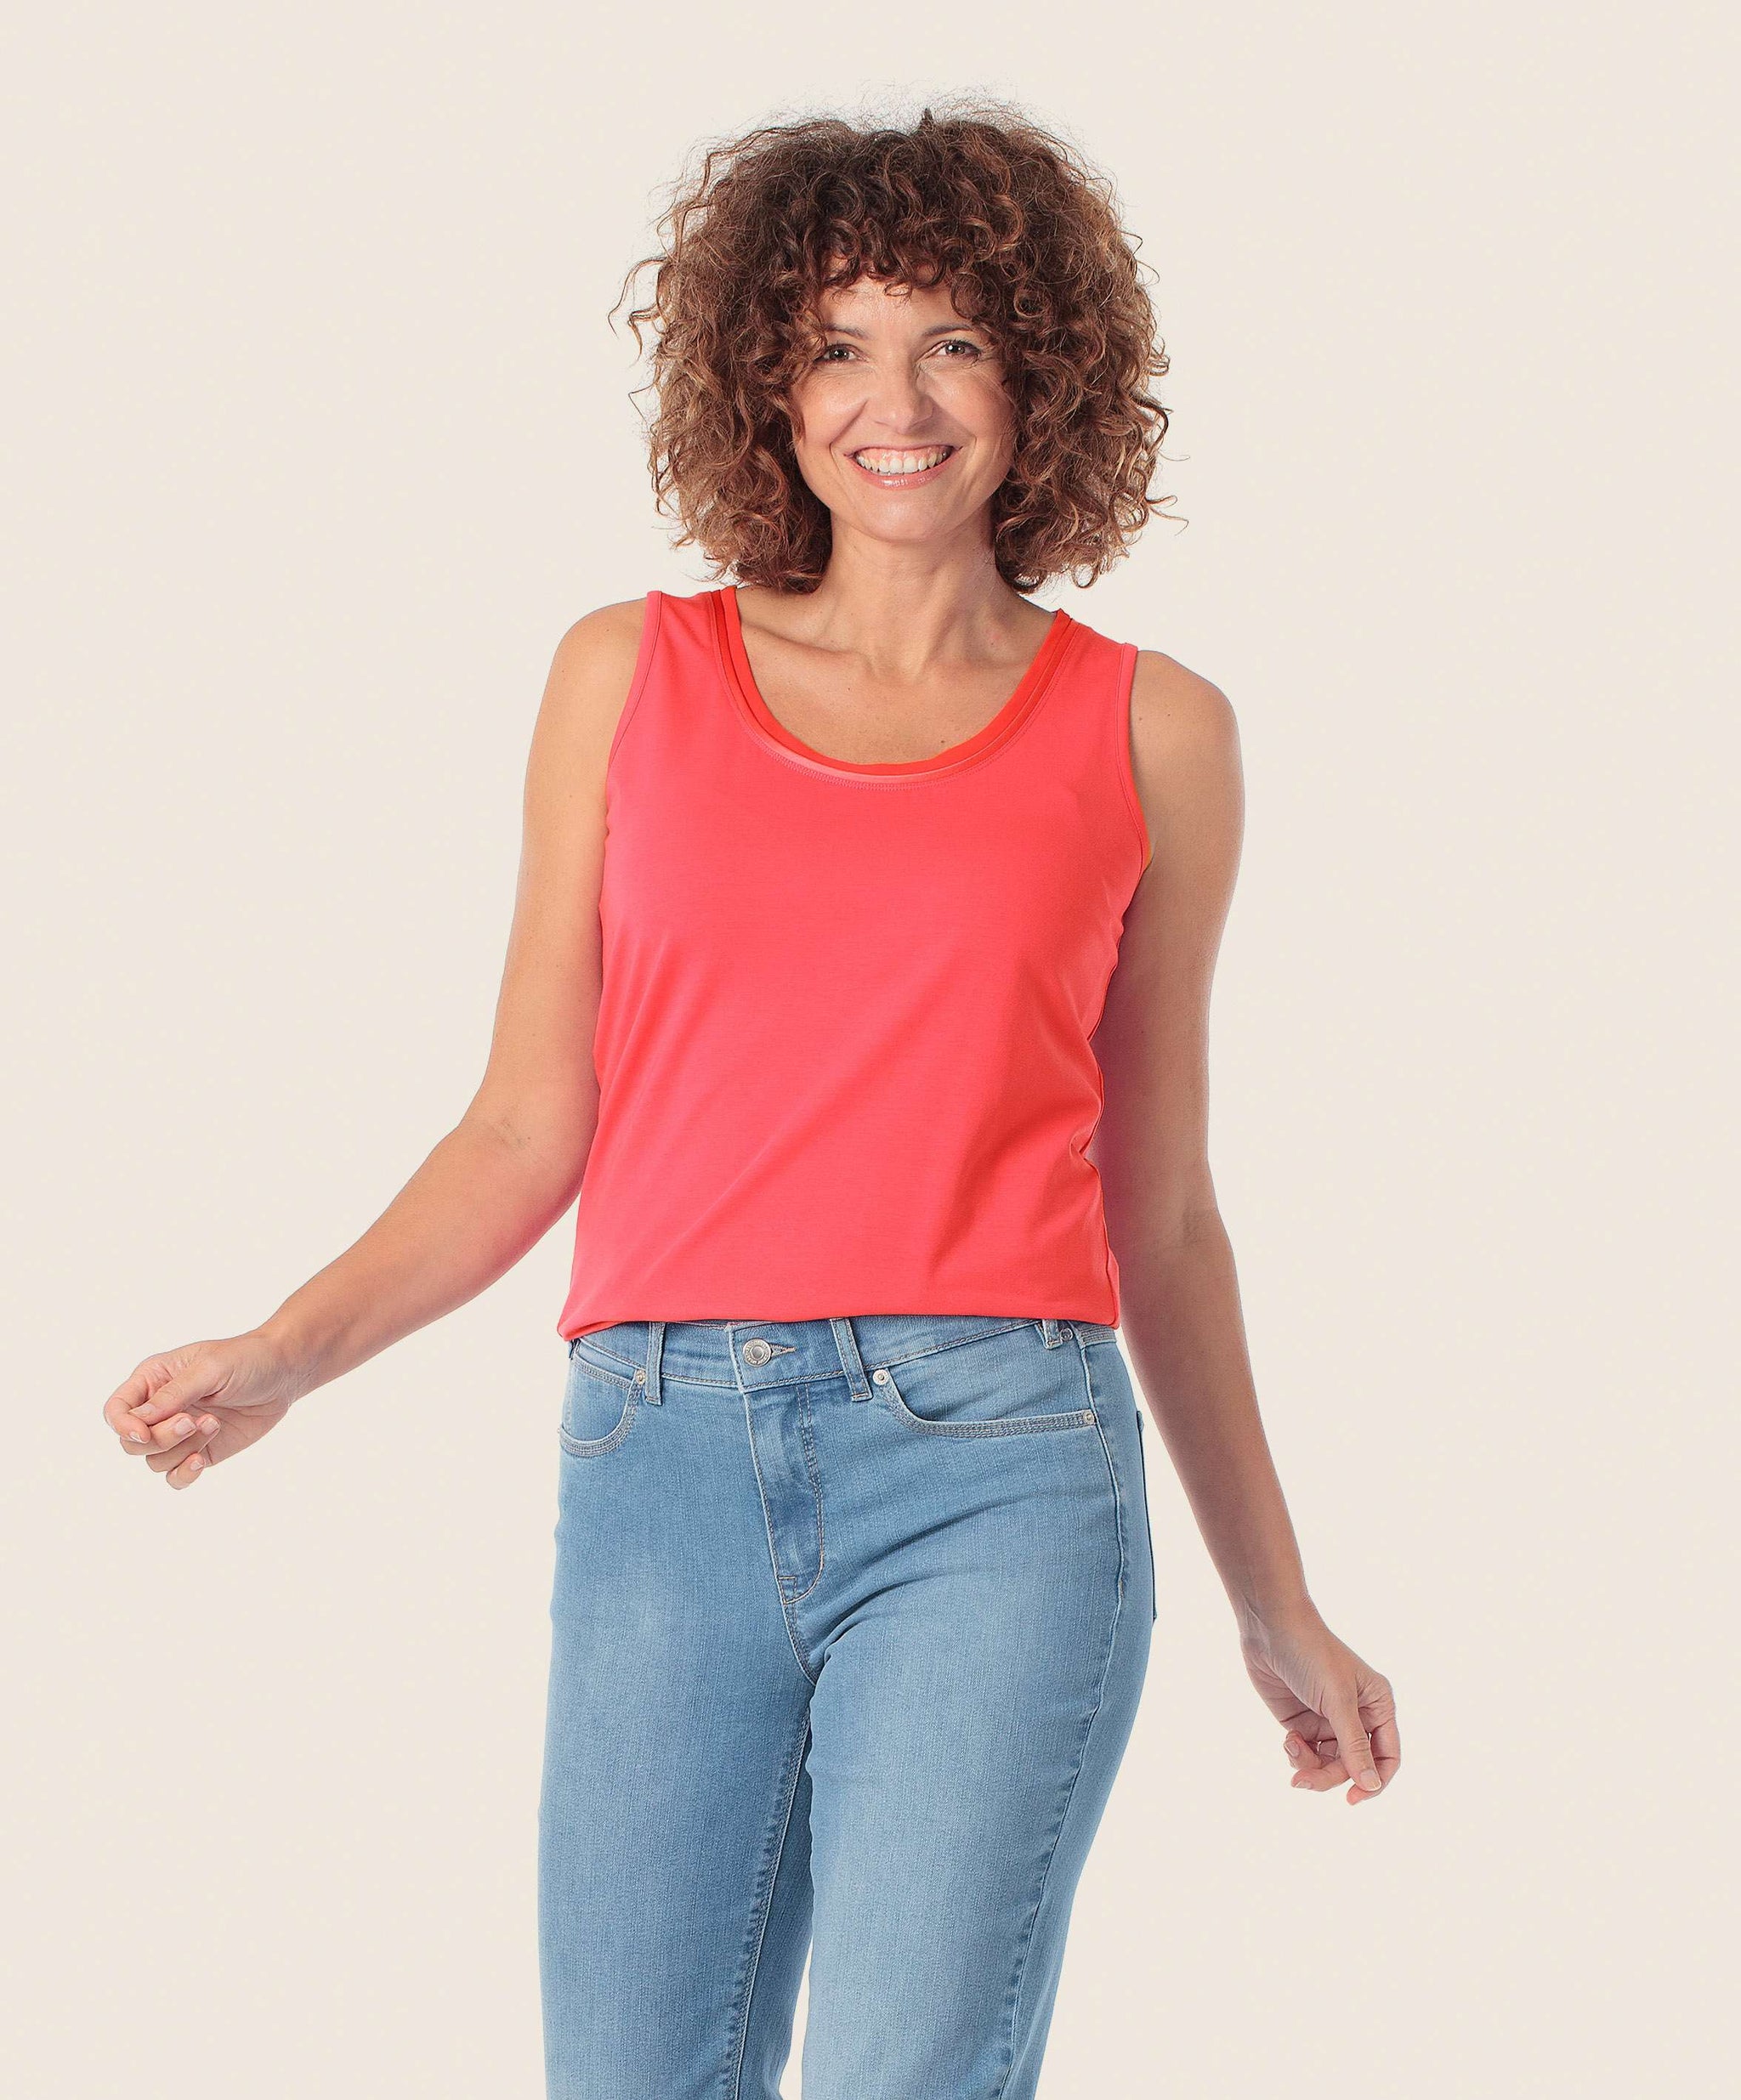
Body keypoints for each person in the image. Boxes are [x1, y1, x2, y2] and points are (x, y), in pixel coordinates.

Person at [102, 104, 1399, 2100]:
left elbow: (1160, 1210)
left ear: (1040, 376)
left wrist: (1273, 1601)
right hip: (660, 1458)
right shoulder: (627, 676)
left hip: (998, 1468)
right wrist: (291, 1350)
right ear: (766, 390)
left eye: (954, 344)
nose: (898, 405)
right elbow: (527, 1123)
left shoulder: (1154, 731)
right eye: (838, 348)